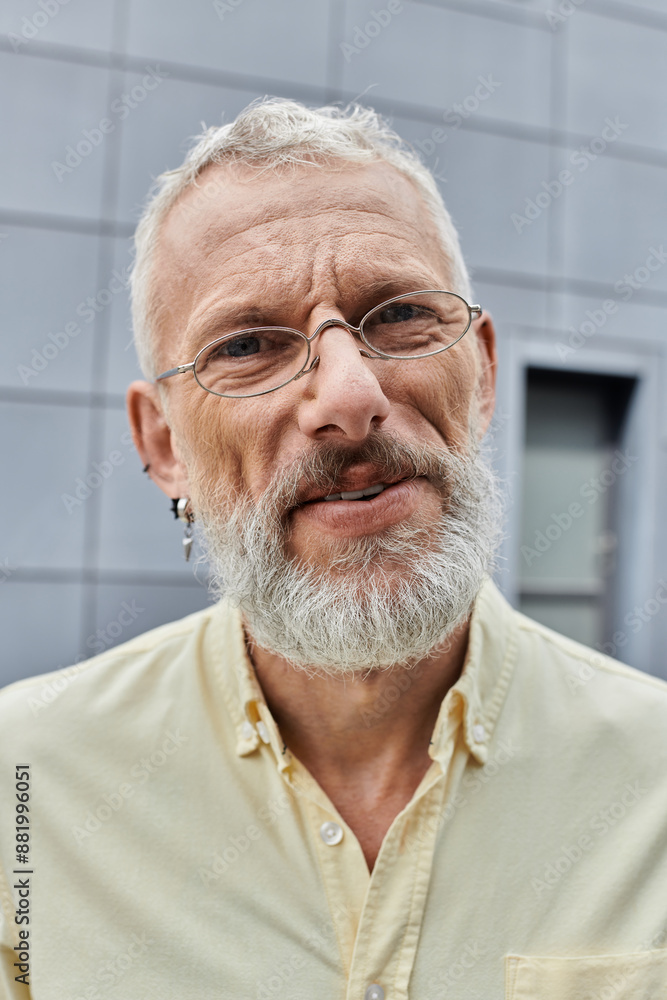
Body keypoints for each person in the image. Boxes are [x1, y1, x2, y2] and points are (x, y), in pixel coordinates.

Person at [1, 98, 666, 1000]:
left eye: (399, 315)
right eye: (247, 345)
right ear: (163, 444)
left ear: (480, 376)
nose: (349, 397)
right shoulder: (23, 783)